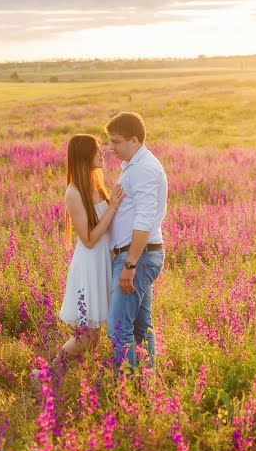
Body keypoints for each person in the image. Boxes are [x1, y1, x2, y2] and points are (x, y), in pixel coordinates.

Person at [35, 134, 124, 386]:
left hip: (104, 262)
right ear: (85, 156)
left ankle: (82, 379)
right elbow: (88, 239)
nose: (103, 153)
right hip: (89, 265)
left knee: (95, 337)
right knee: (86, 336)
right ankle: (46, 377)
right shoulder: (73, 193)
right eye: (97, 150)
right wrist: (113, 207)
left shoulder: (96, 186)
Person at [104, 112, 167, 371]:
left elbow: (144, 219)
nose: (111, 148)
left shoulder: (143, 169)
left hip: (137, 257)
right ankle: (146, 387)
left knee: (118, 329)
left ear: (133, 140)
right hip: (136, 256)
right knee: (141, 326)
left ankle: (126, 393)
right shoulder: (135, 166)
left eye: (116, 142)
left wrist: (129, 265)